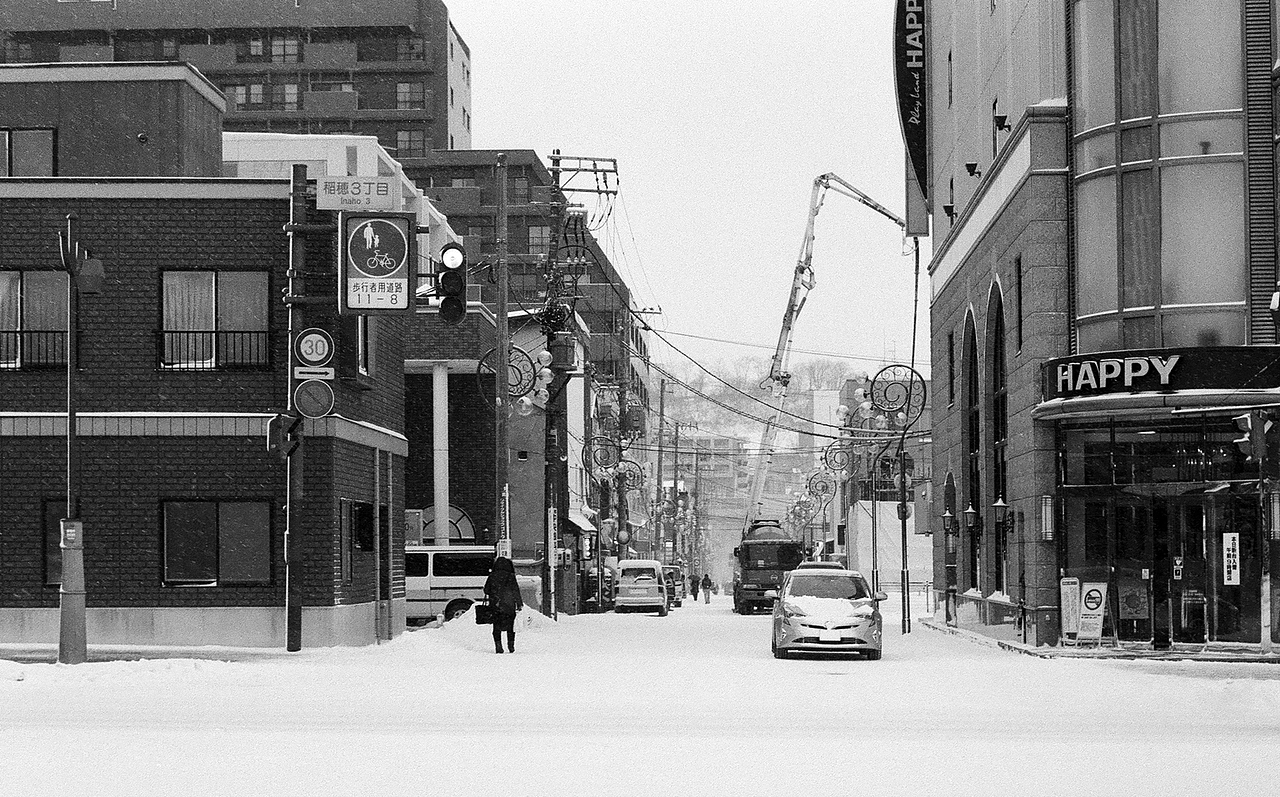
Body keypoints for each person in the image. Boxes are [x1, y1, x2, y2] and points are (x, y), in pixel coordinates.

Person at [484, 556, 524, 654]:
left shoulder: (492, 576)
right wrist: (519, 603)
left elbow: (486, 590)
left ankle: (498, 645)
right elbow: (515, 590)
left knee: (496, 626)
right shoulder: (510, 576)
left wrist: (495, 592)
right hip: (509, 605)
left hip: (495, 604)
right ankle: (511, 645)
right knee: (510, 626)